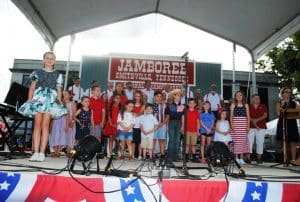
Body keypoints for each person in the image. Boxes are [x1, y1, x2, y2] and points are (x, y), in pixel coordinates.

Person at [18, 51, 67, 162]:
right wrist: (30, 100)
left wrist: (58, 102)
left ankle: (41, 152)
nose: (49, 60)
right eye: (47, 58)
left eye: (52, 58)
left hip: (50, 100)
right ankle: (35, 152)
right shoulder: (36, 72)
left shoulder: (58, 74)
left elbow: (59, 89)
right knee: (37, 125)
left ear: (54, 61)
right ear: (44, 60)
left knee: (45, 125)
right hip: (38, 99)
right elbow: (32, 87)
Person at [276, 87, 299, 164]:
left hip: (292, 122)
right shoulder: (279, 102)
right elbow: (278, 113)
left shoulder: (294, 103)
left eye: (289, 92)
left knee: (293, 142)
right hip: (283, 122)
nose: (288, 94)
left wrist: (288, 111)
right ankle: (285, 159)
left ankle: (293, 160)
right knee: (284, 141)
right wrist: (282, 107)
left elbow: (298, 110)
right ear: (282, 93)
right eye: (286, 92)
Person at [230, 91, 250, 165]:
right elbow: (231, 116)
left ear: (243, 96)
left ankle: (241, 158)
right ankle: (236, 158)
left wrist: (248, 126)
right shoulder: (233, 105)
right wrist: (232, 125)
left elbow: (248, 116)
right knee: (236, 141)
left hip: (243, 124)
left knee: (242, 141)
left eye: (240, 95)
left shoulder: (246, 105)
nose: (239, 96)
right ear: (235, 97)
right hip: (235, 124)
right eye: (237, 95)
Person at [247, 94, 268, 164]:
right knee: (249, 142)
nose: (257, 99)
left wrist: (256, 120)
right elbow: (247, 116)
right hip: (250, 126)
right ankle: (248, 158)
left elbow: (265, 115)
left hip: (261, 127)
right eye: (255, 98)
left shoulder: (263, 106)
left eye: (258, 98)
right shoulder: (249, 106)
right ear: (252, 99)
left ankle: (259, 158)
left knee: (260, 142)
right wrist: (253, 121)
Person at [165, 89, 185, 162]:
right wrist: (167, 126)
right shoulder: (169, 106)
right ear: (174, 96)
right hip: (171, 122)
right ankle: (169, 156)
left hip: (179, 123)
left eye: (180, 96)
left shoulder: (182, 106)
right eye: (177, 95)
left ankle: (175, 156)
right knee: (171, 140)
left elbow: (183, 116)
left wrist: (182, 126)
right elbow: (167, 117)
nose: (179, 97)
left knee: (177, 140)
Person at [153, 91, 169, 159]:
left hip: (162, 125)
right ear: (154, 97)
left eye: (160, 96)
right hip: (153, 126)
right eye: (157, 96)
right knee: (153, 140)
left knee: (161, 140)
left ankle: (162, 154)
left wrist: (163, 123)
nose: (159, 98)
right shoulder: (151, 105)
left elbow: (167, 116)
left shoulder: (164, 106)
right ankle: (151, 154)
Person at [132, 90, 145, 160]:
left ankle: (140, 155)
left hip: (140, 126)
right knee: (133, 142)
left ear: (141, 97)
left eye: (139, 96)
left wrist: (135, 113)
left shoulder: (143, 105)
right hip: (133, 126)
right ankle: (133, 154)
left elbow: (139, 113)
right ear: (134, 96)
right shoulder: (132, 105)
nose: (137, 97)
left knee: (140, 142)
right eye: (136, 96)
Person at [63, 91, 77, 157]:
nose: (64, 95)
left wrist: (73, 122)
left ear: (69, 96)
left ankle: (70, 151)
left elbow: (74, 114)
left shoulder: (72, 103)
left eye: (66, 94)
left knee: (70, 137)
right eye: (63, 94)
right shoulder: (62, 103)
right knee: (64, 136)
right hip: (63, 122)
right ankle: (62, 149)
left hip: (70, 121)